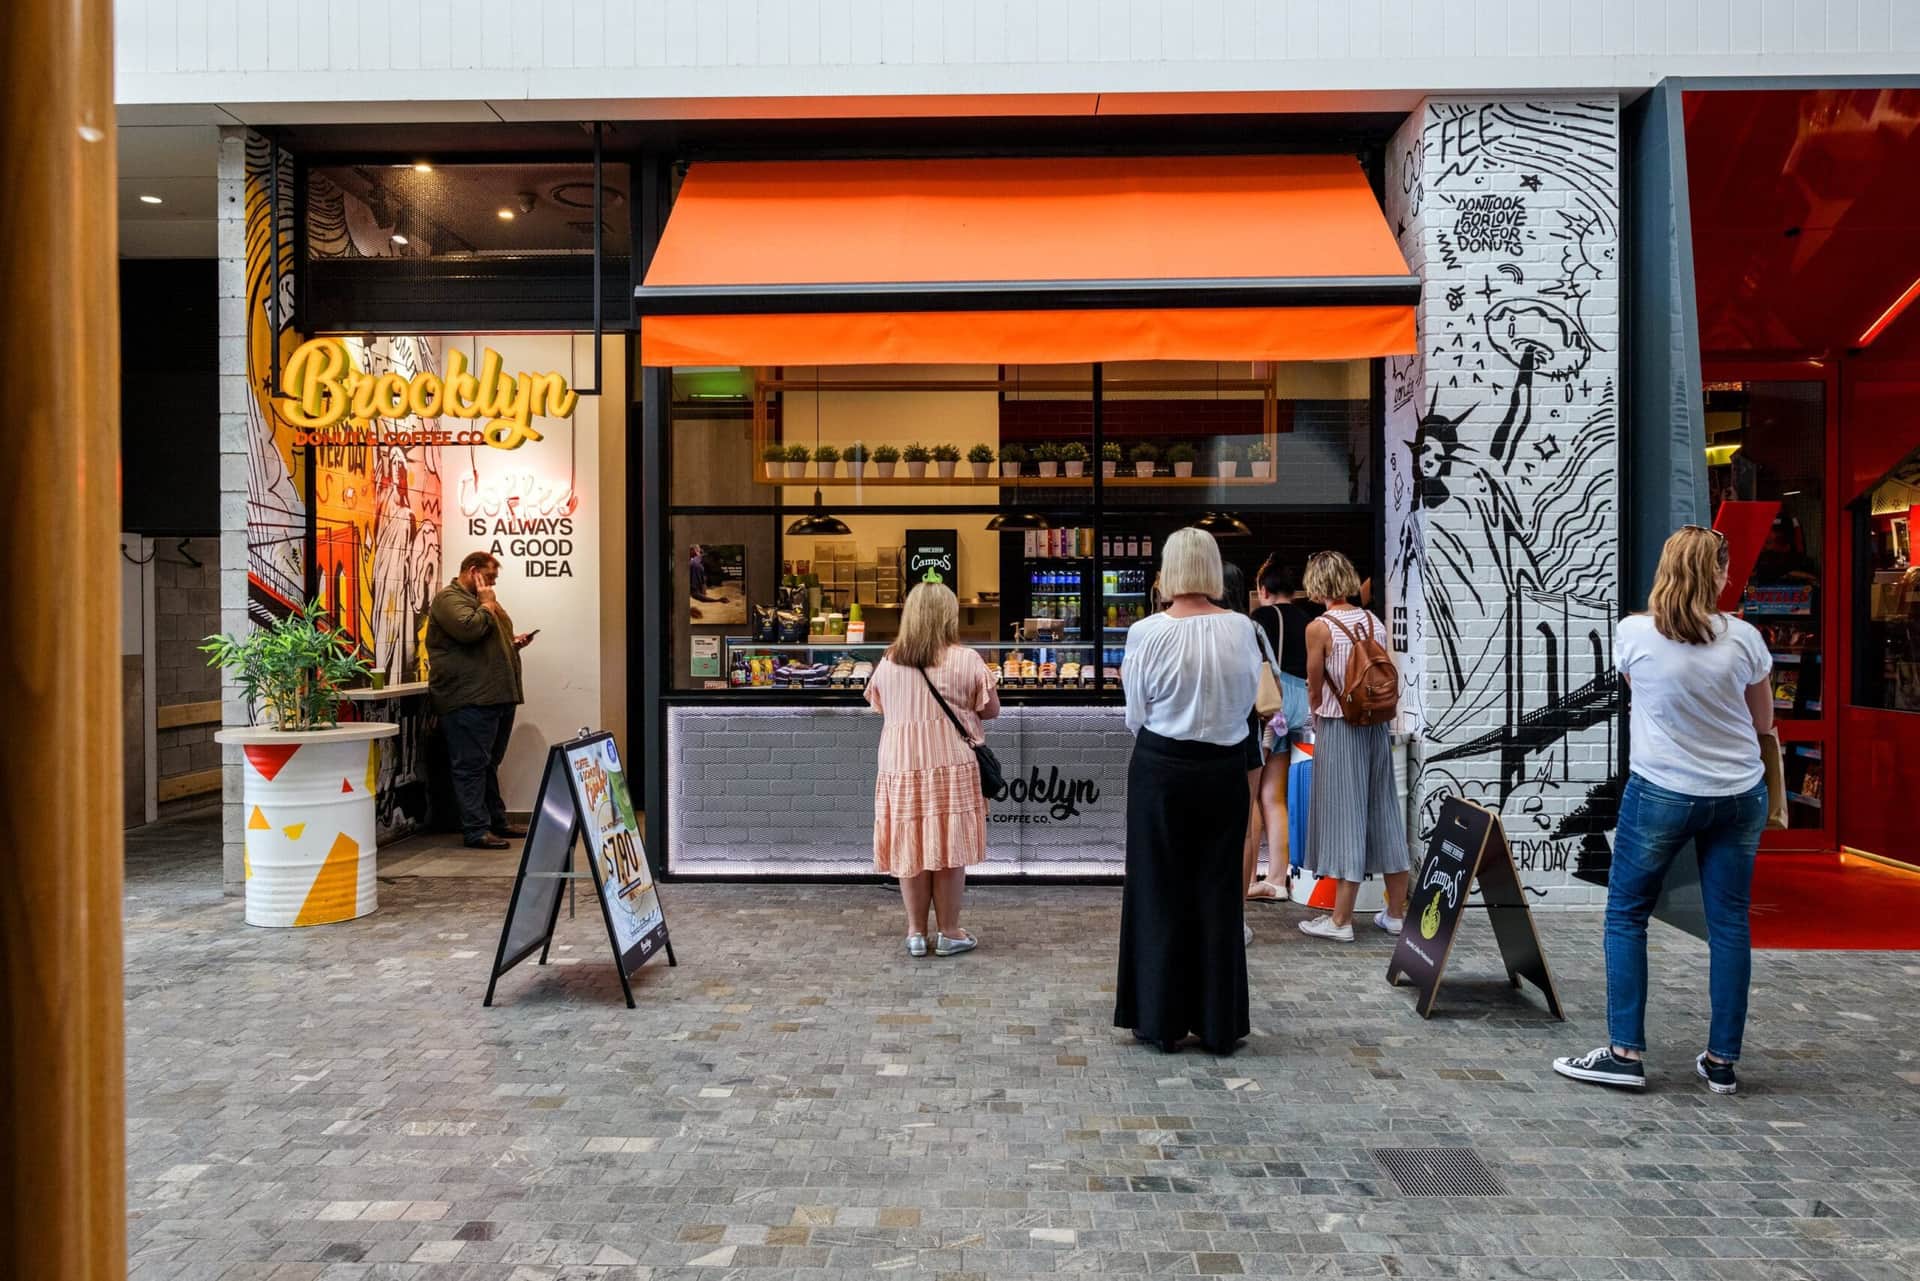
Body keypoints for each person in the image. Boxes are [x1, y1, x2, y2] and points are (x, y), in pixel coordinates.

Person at [1554, 525, 1773, 1096]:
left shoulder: (1634, 633)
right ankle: (1722, 1063)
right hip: (1739, 794)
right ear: (1718, 575)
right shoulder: (1745, 640)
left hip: (1663, 792)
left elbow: (1636, 690)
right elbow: (1764, 724)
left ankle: (1625, 1054)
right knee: (1729, 923)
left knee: (1627, 913)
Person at [1115, 528, 1262, 1054]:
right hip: (1223, 769)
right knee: (1218, 892)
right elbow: (1248, 701)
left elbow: (1136, 712)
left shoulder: (1147, 632)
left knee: (1158, 891)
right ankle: (1218, 1021)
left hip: (1162, 766)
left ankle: (1159, 1018)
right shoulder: (1243, 629)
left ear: (1168, 568)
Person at [864, 581, 1001, 958]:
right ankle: (949, 932)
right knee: (948, 847)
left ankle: (914, 933)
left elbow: (879, 706)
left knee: (911, 844)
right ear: (948, 616)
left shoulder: (890, 660)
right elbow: (990, 709)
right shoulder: (967, 659)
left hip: (901, 764)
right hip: (951, 763)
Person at [1298, 550, 1410, 941]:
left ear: (1317, 583)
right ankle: (1396, 912)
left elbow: (1314, 682)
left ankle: (1340, 920)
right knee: (1383, 813)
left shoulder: (1319, 628)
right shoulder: (1373, 621)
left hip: (1340, 726)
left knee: (1345, 817)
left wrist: (1314, 711)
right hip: (1375, 725)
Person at [427, 552, 535, 850]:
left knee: (488, 764)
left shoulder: (482, 602)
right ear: (472, 571)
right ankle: (476, 829)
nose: (491, 585)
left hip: (495, 696)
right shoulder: (449, 599)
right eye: (488, 577)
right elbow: (469, 629)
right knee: (471, 766)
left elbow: (486, 638)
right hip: (469, 699)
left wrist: (512, 644)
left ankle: (496, 821)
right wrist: (488, 604)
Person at [1246, 555, 1313, 903]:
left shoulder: (1260, 618)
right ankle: (1277, 878)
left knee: (1252, 794)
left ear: (1263, 590)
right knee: (1276, 796)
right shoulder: (1309, 620)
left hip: (1273, 705)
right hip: (1302, 704)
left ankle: (1245, 880)